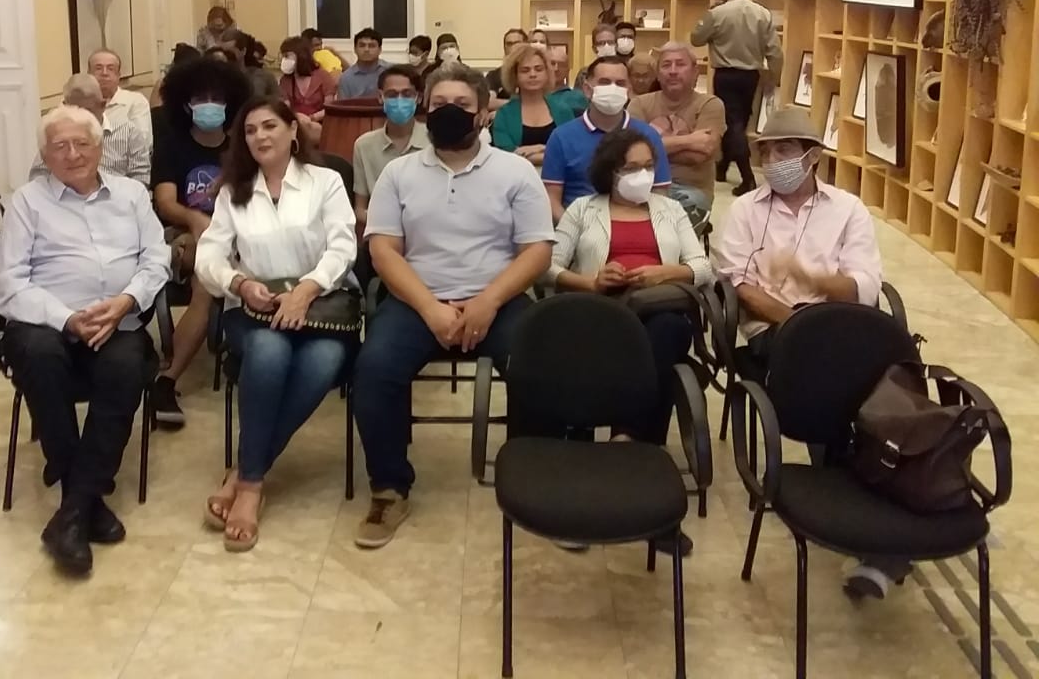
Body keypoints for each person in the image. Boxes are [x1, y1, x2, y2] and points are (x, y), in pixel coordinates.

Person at [352, 62, 555, 549]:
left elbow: (537, 250)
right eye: (440, 103)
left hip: (498, 299)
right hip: (417, 302)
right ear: (425, 109)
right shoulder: (398, 173)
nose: (450, 112)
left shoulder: (515, 171)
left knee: (542, 366)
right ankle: (389, 487)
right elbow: (383, 251)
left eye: (462, 104)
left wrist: (488, 301)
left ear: (484, 112)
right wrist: (429, 308)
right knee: (373, 370)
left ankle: (534, 481)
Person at [712, 106, 888, 596]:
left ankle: (902, 486)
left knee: (893, 387)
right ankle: (861, 510)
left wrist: (819, 282)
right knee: (841, 386)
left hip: (840, 324)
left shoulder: (848, 209)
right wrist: (798, 320)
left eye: (784, 150)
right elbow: (739, 284)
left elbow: (865, 284)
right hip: (775, 328)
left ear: (812, 157)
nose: (773, 160)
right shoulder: (747, 210)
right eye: (766, 151)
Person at [0, 105, 170, 576]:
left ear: (99, 147)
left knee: (127, 366)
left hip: (117, 321)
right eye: (60, 146)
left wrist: (127, 301)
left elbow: (157, 260)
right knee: (39, 356)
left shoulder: (132, 195)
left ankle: (72, 510)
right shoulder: (27, 202)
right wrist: (66, 319)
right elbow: (7, 284)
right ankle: (86, 502)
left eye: (81, 144)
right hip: (46, 324)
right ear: (45, 155)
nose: (72, 154)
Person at [194, 97, 358, 551]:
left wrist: (306, 290)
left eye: (269, 126)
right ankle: (252, 486)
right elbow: (209, 254)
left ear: (292, 130)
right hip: (254, 310)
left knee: (323, 361)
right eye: (250, 130)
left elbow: (343, 246)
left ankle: (245, 474)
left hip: (322, 307)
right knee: (270, 350)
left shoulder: (325, 181)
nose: (260, 136)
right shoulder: (233, 191)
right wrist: (239, 283)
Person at [548, 128, 713, 552]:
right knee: (624, 353)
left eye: (648, 167)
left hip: (658, 311)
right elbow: (549, 267)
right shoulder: (583, 210)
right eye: (631, 168)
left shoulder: (670, 209)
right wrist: (592, 280)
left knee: (669, 331)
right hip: (599, 313)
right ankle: (615, 472)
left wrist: (666, 272)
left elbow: (702, 266)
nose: (642, 175)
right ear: (611, 171)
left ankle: (628, 444)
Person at [148, 57, 253, 426]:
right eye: (200, 98)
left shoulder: (243, 146)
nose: (209, 105)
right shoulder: (173, 146)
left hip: (242, 234)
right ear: (185, 103)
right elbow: (166, 203)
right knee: (205, 284)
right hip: (185, 234)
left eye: (217, 98)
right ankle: (167, 380)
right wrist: (196, 219)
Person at [541, 56, 671, 223]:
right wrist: (574, 228)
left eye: (620, 83)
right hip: (578, 224)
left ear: (628, 90)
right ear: (587, 89)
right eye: (604, 82)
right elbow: (551, 200)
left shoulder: (648, 135)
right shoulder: (561, 137)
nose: (613, 88)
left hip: (635, 224)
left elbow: (660, 194)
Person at [690, 0, 783, 196]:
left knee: (733, 124)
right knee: (738, 120)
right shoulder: (762, 13)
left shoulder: (718, 13)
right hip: (751, 76)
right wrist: (774, 77)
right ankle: (722, 167)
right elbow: (775, 51)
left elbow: (696, 38)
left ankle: (747, 178)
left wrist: (709, 18)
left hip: (726, 75)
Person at [629, 42, 725, 216]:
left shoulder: (710, 104)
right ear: (658, 74)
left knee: (673, 218)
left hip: (691, 191)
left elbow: (702, 153)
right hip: (644, 187)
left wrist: (651, 149)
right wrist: (689, 141)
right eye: (666, 65)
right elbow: (633, 150)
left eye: (680, 64)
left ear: (695, 71)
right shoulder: (639, 104)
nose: (673, 71)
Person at [28, 74, 150, 186]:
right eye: (74, 109)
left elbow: (140, 177)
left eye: (87, 111)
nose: (80, 117)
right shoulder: (55, 136)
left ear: (102, 105)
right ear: (64, 105)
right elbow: (38, 177)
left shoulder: (128, 132)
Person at [352, 64, 428, 230]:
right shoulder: (364, 145)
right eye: (392, 95)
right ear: (381, 97)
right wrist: (390, 227)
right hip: (381, 231)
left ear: (419, 98)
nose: (399, 100)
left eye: (407, 94)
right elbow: (360, 209)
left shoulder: (434, 141)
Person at [490, 43, 577, 166]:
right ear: (515, 76)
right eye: (525, 70)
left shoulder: (563, 110)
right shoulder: (504, 114)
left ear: (547, 73)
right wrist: (552, 152)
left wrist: (540, 148)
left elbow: (571, 150)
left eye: (538, 69)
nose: (532, 74)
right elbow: (507, 155)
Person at [278, 34, 337, 146]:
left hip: (321, 124)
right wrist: (298, 118)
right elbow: (285, 107)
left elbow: (330, 108)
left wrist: (312, 118)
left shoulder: (323, 76)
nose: (283, 60)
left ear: (300, 56)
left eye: (287, 56)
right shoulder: (285, 81)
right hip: (296, 124)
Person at [89, 49, 152, 143]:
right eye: (98, 68)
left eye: (110, 68)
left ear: (118, 75)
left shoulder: (135, 102)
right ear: (89, 74)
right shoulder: (77, 102)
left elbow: (141, 141)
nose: (104, 73)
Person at [574, 21, 638, 87]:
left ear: (616, 46)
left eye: (610, 42)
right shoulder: (584, 74)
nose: (606, 46)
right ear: (594, 48)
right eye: (601, 43)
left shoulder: (626, 72)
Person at [337, 28, 390, 99]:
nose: (366, 49)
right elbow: (342, 104)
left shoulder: (391, 71)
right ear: (355, 49)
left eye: (371, 46)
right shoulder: (346, 78)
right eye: (362, 45)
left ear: (380, 50)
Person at [485, 28, 529, 104]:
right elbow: (489, 102)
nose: (513, 47)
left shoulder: (533, 73)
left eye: (517, 43)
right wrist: (518, 105)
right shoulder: (494, 75)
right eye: (509, 44)